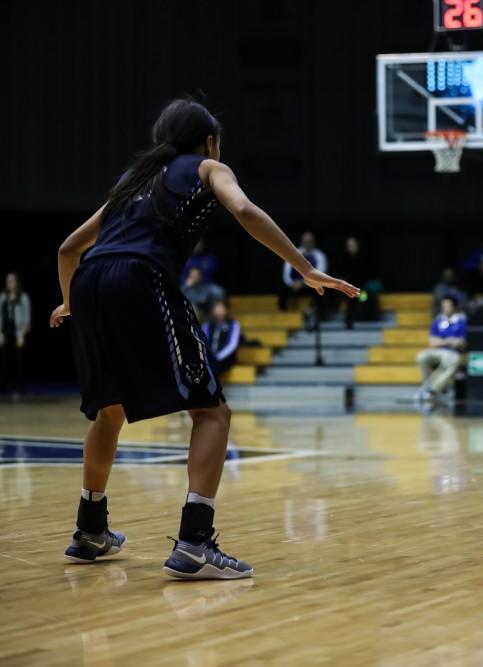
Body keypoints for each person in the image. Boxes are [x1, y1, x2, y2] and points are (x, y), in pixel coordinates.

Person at [49, 98, 359, 579]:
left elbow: (69, 249)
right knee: (212, 411)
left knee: (108, 411)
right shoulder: (209, 167)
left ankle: (90, 530)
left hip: (89, 282)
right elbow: (245, 211)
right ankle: (195, 542)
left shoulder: (129, 184)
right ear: (209, 139)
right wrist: (305, 267)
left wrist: (71, 303)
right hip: (140, 278)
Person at [415, 295, 466, 404]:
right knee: (421, 356)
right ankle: (427, 385)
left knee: (452, 360)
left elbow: (461, 342)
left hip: (452, 352)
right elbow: (432, 342)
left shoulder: (461, 321)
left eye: (448, 306)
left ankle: (433, 390)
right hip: (437, 351)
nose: (446, 308)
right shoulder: (438, 321)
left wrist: (442, 341)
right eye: (444, 306)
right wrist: (449, 340)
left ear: (455, 307)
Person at [280, 230, 328, 322]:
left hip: (311, 285)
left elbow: (321, 273)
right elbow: (286, 272)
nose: (307, 243)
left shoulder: (319, 255)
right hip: (294, 285)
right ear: (302, 242)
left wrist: (303, 283)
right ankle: (285, 317)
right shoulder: (294, 253)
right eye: (305, 241)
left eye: (309, 241)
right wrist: (291, 283)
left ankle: (317, 314)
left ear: (314, 242)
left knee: (322, 291)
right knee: (282, 288)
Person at [0, 272, 31, 395]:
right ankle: (3, 386)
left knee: (18, 360)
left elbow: (27, 319)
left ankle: (18, 386)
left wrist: (21, 336)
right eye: (8, 281)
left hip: (17, 332)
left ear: (16, 283)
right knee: (4, 360)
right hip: (5, 332)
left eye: (12, 281)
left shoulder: (23, 297)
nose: (10, 284)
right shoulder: (2, 297)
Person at [202, 300, 241, 376]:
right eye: (217, 308)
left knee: (213, 367)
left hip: (225, 357)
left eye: (222, 308)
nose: (219, 311)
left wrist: (218, 357)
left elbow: (232, 345)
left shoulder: (233, 324)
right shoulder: (207, 324)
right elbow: (203, 341)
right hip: (210, 356)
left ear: (226, 309)